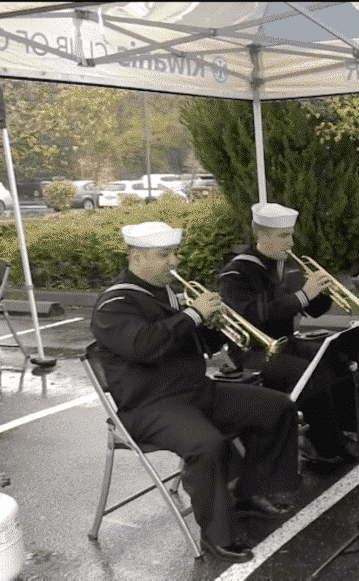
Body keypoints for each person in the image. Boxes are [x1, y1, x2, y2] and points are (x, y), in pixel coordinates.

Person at [90, 222, 300, 563]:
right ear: (137, 257)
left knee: (277, 407)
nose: (174, 261)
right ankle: (217, 537)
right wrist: (192, 314)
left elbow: (196, 344)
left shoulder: (168, 294)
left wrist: (216, 325)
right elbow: (145, 346)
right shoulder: (114, 304)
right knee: (207, 444)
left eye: (174, 253)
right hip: (149, 406)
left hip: (195, 392)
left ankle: (251, 492)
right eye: (164, 255)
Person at [219, 203, 359, 465]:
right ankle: (325, 444)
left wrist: (322, 291)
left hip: (286, 343)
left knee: (353, 360)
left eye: (290, 234)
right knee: (313, 370)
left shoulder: (289, 266)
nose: (290, 241)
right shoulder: (237, 273)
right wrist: (304, 294)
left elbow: (314, 310)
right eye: (283, 235)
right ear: (262, 235)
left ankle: (343, 433)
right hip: (252, 352)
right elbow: (255, 316)